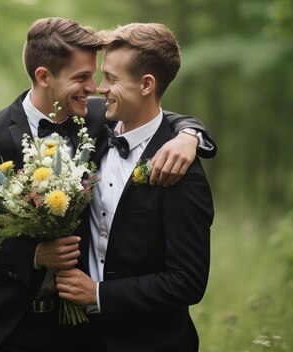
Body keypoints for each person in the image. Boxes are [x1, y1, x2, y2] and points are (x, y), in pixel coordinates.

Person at [0, 18, 215, 352]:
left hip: (77, 332)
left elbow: (154, 113)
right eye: (82, 77)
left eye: (99, 76)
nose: (95, 87)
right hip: (3, 326)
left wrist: (191, 135)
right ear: (43, 76)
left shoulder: (98, 119)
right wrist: (33, 255)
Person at [55, 23, 214, 352]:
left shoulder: (181, 171)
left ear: (146, 84)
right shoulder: (96, 124)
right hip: (80, 340)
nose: (99, 88)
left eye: (112, 79)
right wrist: (192, 131)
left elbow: (187, 282)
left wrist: (98, 294)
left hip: (151, 343)